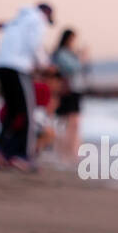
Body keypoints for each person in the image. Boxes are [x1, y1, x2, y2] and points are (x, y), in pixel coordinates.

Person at [0, 1, 53, 170]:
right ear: (47, 14)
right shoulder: (37, 19)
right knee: (28, 112)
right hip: (18, 68)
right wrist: (46, 64)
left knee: (12, 111)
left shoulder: (17, 20)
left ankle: (0, 150)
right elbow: (35, 45)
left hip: (1, 65)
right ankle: (23, 156)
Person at [51, 27, 90, 162]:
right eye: (73, 39)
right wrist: (81, 57)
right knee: (69, 121)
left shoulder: (67, 53)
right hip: (69, 90)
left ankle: (70, 151)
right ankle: (67, 152)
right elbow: (73, 68)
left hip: (75, 89)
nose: (74, 42)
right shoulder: (62, 53)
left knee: (71, 122)